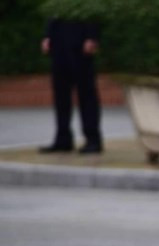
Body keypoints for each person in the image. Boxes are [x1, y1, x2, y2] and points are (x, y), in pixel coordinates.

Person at [40, 18, 103, 154]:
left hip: (80, 40)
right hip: (59, 42)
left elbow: (91, 9)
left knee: (86, 93)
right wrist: (48, 35)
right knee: (61, 94)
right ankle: (63, 139)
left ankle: (93, 139)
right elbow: (55, 8)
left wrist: (92, 36)